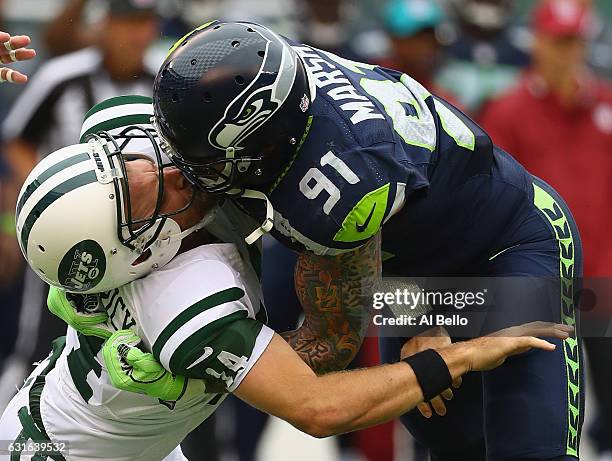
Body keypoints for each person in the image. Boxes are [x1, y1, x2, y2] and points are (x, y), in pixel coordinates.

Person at [0, 96, 570, 461]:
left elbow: (106, 139)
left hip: (84, 427)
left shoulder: (127, 147)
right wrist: (456, 355)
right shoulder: (185, 297)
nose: (174, 169)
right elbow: (316, 407)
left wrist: (434, 316)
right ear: (139, 251)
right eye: (155, 195)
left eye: (135, 165)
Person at [151, 21, 584, 460]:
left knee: (529, 443)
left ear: (264, 142)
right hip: (408, 260)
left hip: (508, 244)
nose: (191, 177)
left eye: (208, 162)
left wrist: (189, 355)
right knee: (447, 439)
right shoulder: (269, 68)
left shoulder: (340, 185)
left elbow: (328, 345)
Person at [0, 0, 159, 410]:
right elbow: (18, 137)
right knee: (38, 340)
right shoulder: (64, 74)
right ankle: (11, 428)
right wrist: (44, 202)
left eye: (144, 24)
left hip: (140, 241)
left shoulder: (164, 79)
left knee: (129, 349)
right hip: (66, 233)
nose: (135, 36)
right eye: (127, 24)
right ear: (104, 25)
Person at [480, 0, 612, 457]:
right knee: (544, 410)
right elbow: (495, 202)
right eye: (559, 41)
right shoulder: (508, 112)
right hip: (541, 285)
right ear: (537, 42)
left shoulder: (604, 107)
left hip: (604, 277)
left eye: (575, 41)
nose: (567, 52)